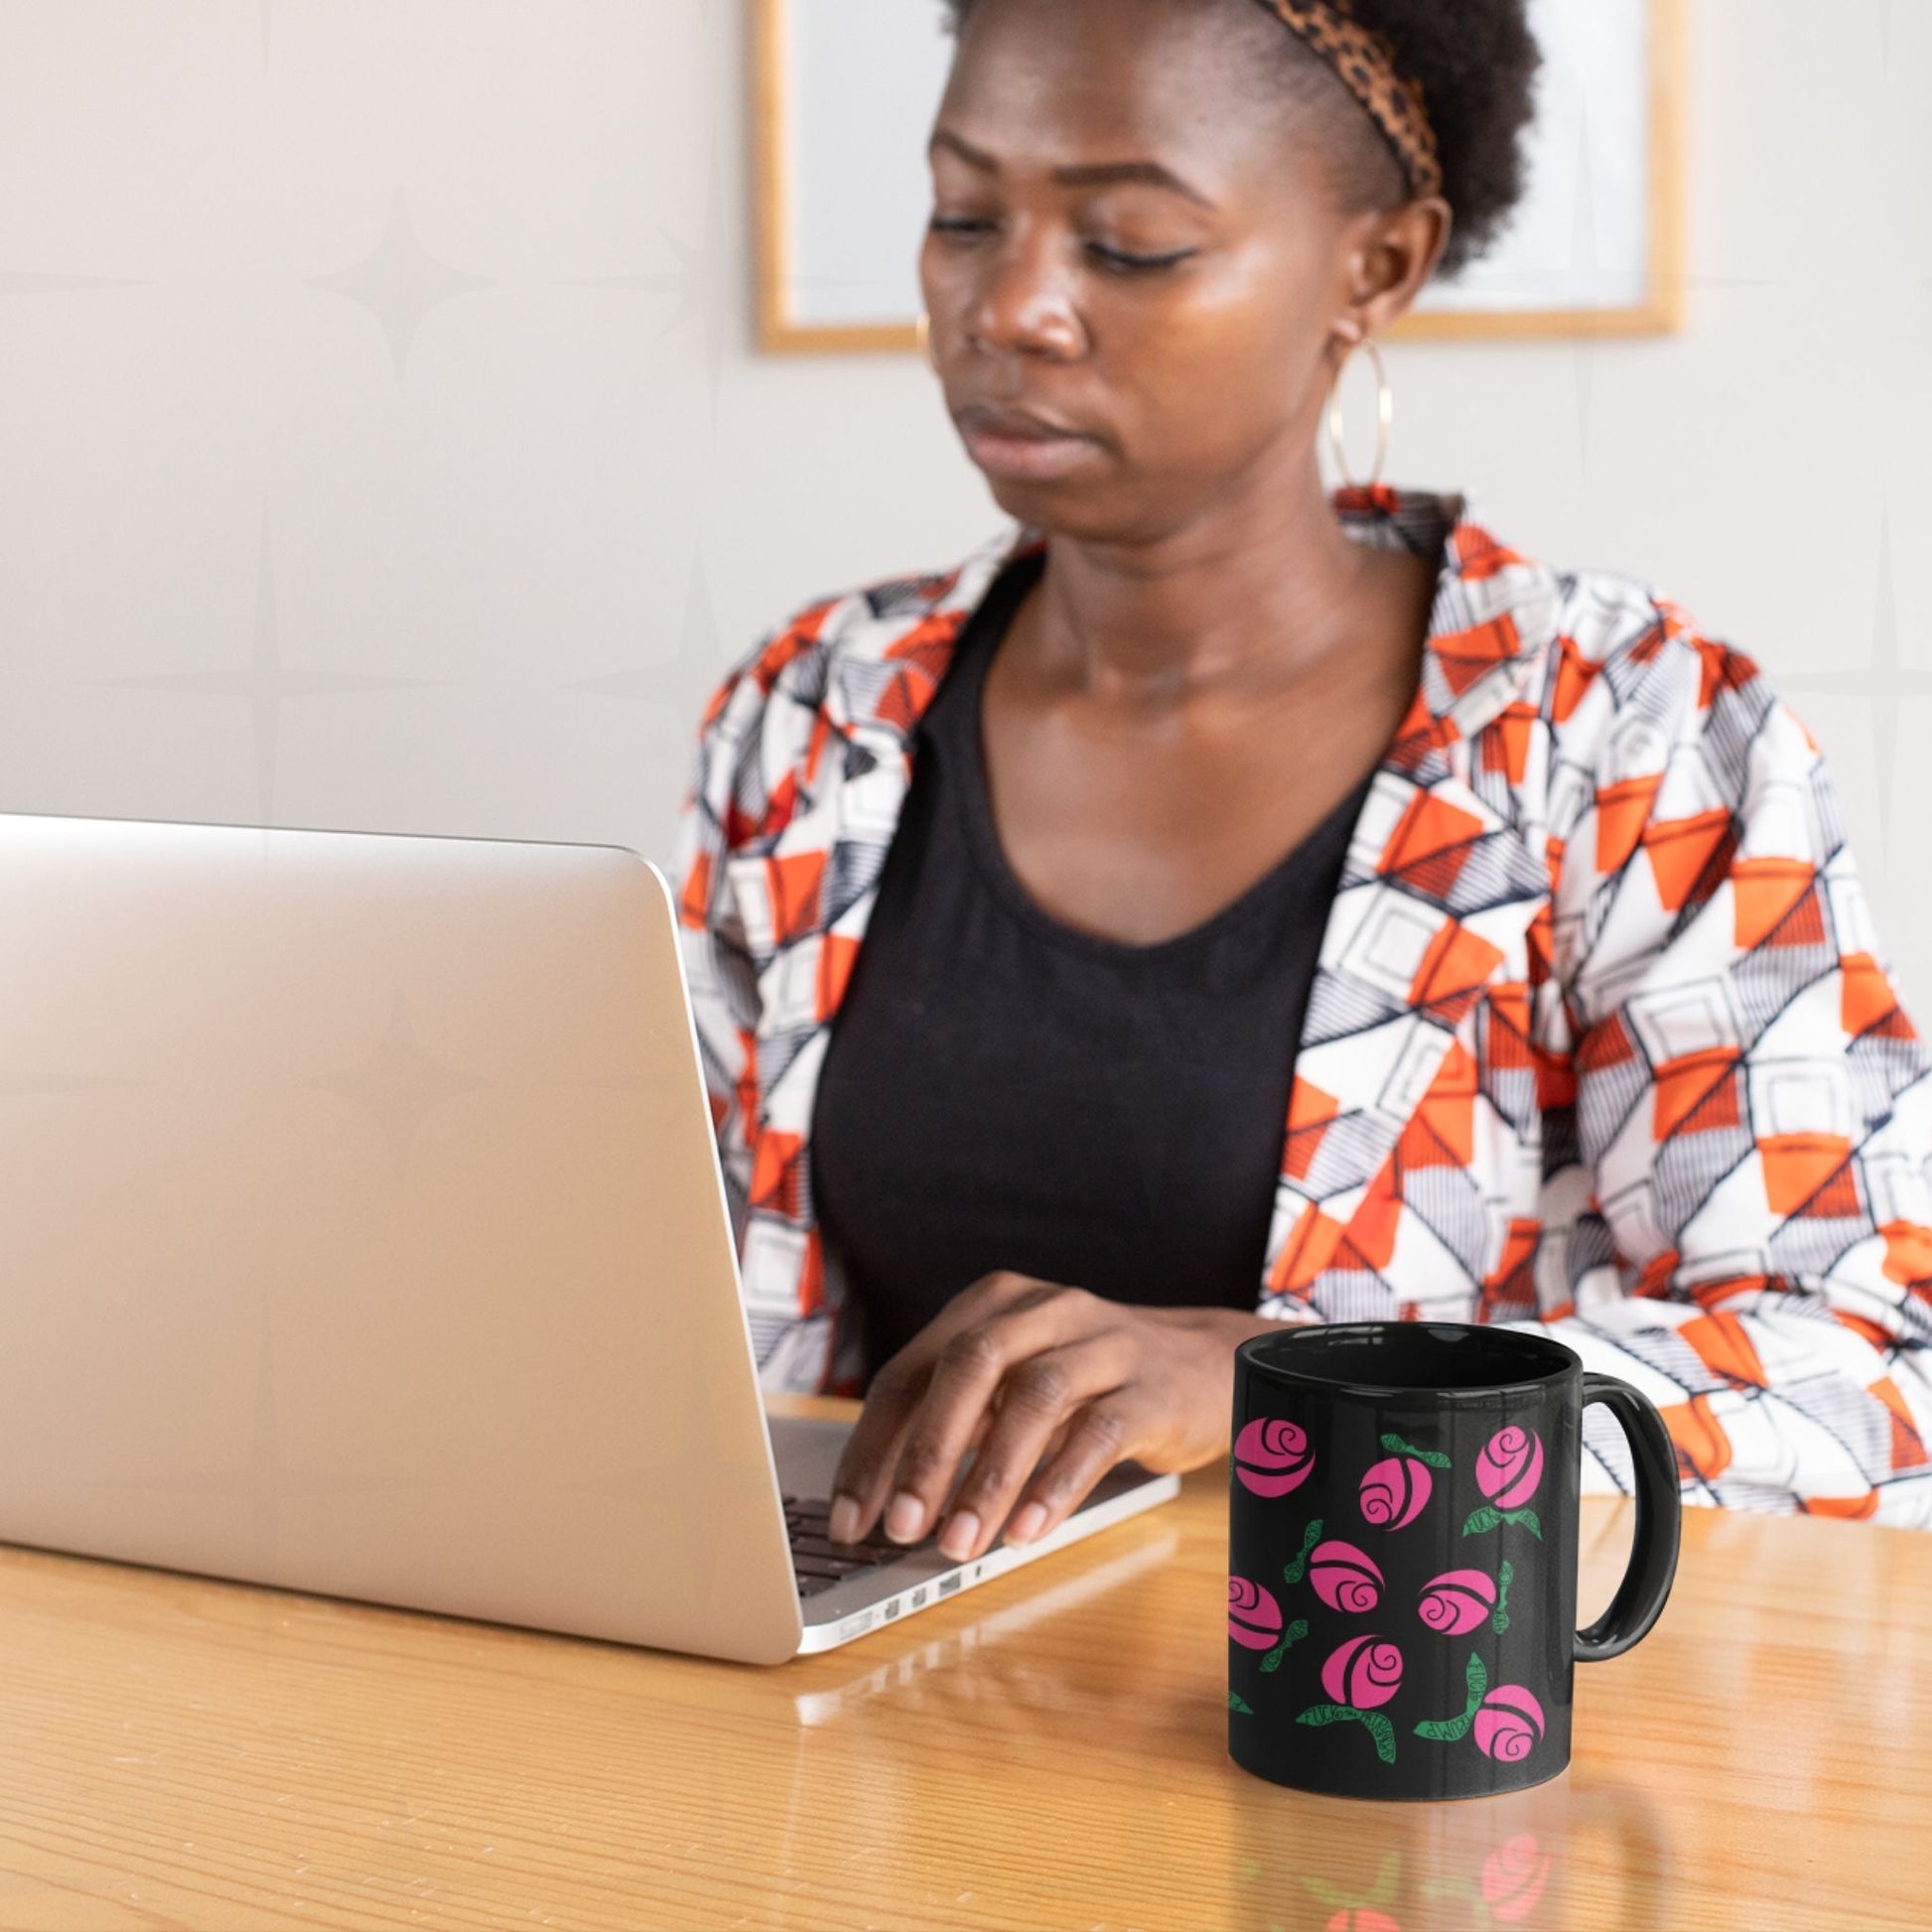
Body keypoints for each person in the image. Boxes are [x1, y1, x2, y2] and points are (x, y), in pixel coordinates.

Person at [671, 0, 1932, 1562]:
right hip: (863, 1729)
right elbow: (669, 1299)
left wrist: (1297, 1391)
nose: (1010, 306)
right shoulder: (810, 719)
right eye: (962, 215)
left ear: (1375, 268)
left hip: (1391, 1754)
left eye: (1127, 243)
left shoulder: (1624, 736)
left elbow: (1868, 1383)